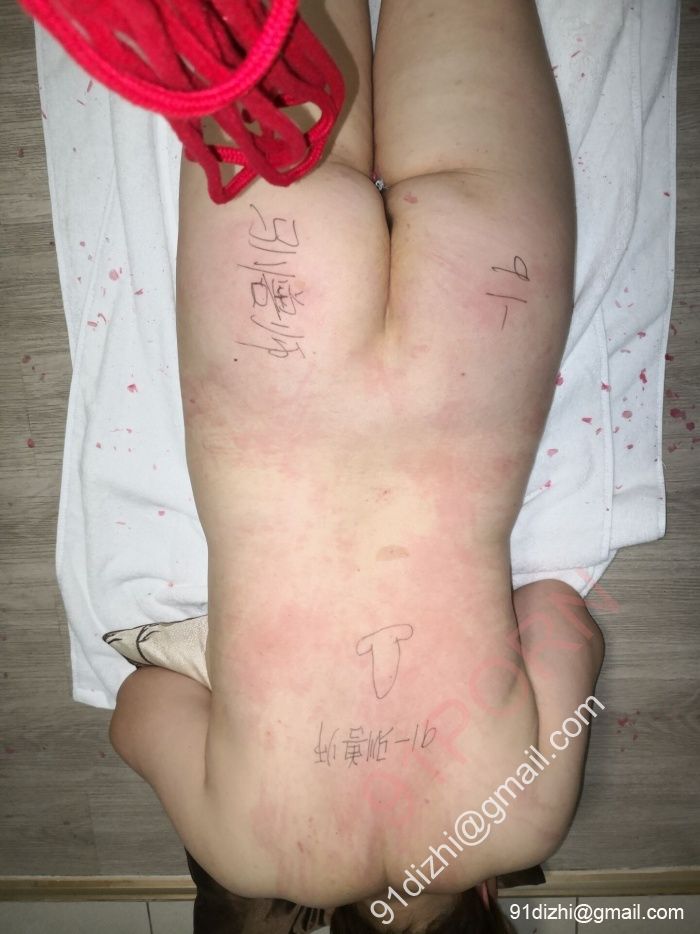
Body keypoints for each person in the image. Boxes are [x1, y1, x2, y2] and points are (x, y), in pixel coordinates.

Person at [108, 1, 605, 931]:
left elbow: (561, 621)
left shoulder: (521, 820)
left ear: (490, 906)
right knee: (282, 33)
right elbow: (140, 708)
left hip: (474, 339)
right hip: (273, 346)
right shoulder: (247, 848)